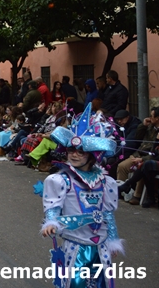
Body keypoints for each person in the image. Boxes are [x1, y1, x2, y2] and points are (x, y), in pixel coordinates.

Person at [39, 103, 123, 288]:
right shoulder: (60, 180)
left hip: (100, 246)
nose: (74, 155)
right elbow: (53, 207)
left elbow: (108, 213)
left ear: (92, 155)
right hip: (75, 244)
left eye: (81, 151)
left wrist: (113, 239)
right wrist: (51, 223)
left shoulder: (105, 182)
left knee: (101, 283)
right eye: (70, 150)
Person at [118, 113, 159, 208]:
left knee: (147, 164)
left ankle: (129, 185)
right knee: (146, 167)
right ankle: (150, 197)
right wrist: (157, 143)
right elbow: (155, 152)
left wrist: (157, 142)